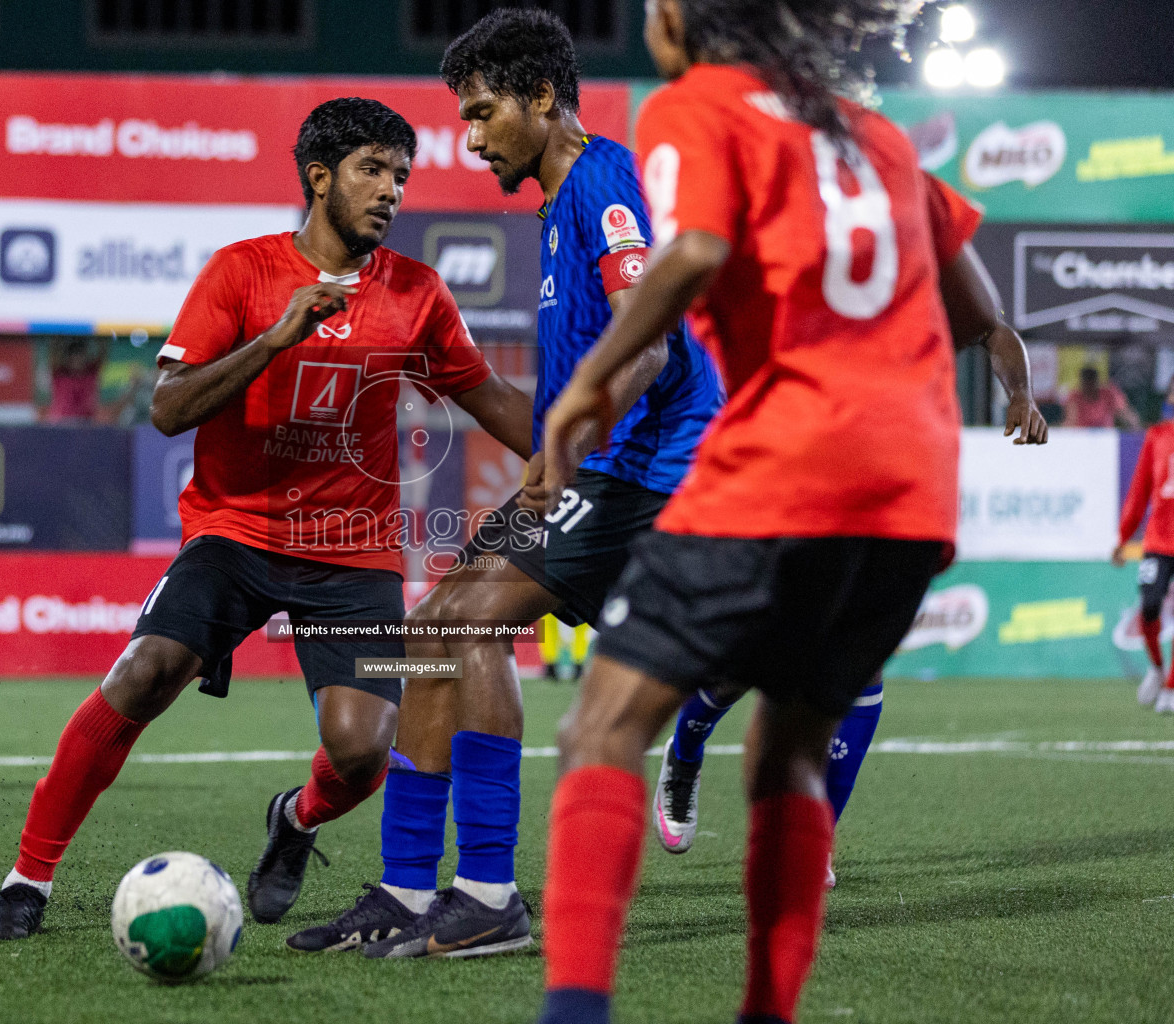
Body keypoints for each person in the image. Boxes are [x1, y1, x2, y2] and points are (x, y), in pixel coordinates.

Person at [0, 98, 536, 940]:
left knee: (361, 750)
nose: (391, 191)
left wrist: (594, 459)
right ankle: (27, 881)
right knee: (145, 670)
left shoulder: (416, 294)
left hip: (355, 553)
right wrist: (273, 340)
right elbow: (168, 410)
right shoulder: (239, 273)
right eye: (371, 170)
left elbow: (489, 398)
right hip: (235, 534)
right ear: (319, 177)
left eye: (401, 176)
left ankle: (296, 820)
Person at [534, 1, 1003, 1021]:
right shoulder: (862, 129)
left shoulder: (694, 104)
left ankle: (573, 1010)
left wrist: (590, 387)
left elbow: (693, 248)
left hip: (786, 462)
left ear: (679, 21)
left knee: (601, 729)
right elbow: (972, 311)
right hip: (911, 494)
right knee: (791, 749)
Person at [290, 7, 723, 961]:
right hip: (607, 466)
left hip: (649, 474)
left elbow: (648, 347)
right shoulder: (558, 205)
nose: (471, 137)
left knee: (458, 625)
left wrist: (570, 444)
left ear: (543, 99)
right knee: (434, 630)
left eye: (484, 113)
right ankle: (409, 892)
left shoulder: (603, 177)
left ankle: (486, 893)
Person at [654, 184, 1051, 878]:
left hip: (891, 459)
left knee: (858, 657)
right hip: (791, 445)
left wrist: (1019, 393)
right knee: (753, 647)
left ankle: (814, 840)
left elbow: (991, 325)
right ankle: (687, 747)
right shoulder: (773, 190)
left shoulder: (909, 186)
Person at [1113, 379, 1174, 713]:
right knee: (1150, 607)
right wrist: (1122, 539)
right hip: (1159, 541)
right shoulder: (1157, 437)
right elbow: (1138, 493)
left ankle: (1171, 686)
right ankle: (1157, 668)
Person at [43, 337, 108, 423]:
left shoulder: (91, 373)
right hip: (61, 424)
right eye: (75, 357)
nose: (78, 361)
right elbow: (53, 351)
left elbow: (103, 351)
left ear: (85, 358)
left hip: (86, 425)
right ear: (69, 359)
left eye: (81, 357)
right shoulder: (60, 374)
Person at [1064, 365, 1139, 429]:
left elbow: (1125, 412)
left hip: (1105, 436)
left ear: (1096, 380)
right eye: (1086, 381)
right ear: (1082, 382)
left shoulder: (1109, 393)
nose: (1089, 384)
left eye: (1091, 380)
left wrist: (1135, 427)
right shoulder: (1075, 396)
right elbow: (1071, 419)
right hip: (1082, 437)